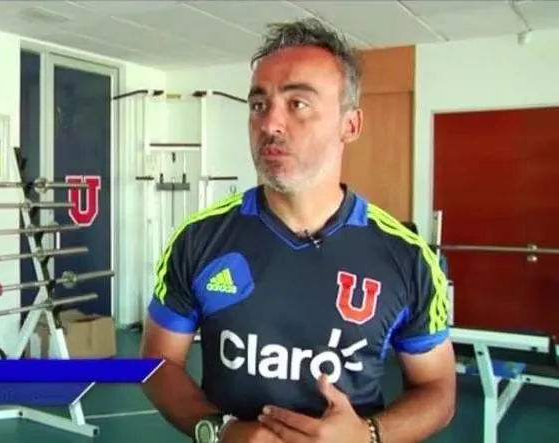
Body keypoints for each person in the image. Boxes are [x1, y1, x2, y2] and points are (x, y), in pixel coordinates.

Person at [140, 18, 456, 443]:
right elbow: (158, 361)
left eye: (298, 104)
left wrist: (368, 435)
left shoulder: (408, 257)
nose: (270, 124)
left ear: (350, 125)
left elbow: (437, 389)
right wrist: (220, 431)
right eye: (258, 104)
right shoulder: (198, 239)